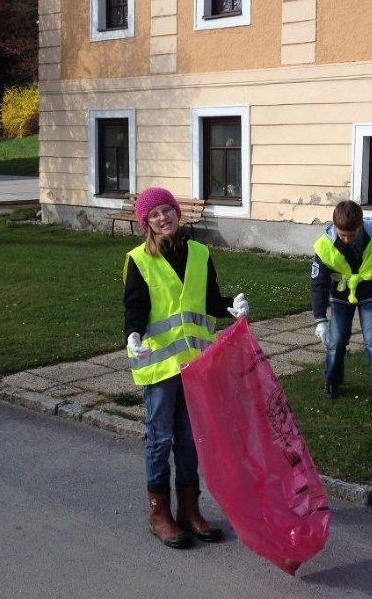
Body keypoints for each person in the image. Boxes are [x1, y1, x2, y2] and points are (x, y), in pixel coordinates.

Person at [123, 186, 249, 549]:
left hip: (194, 364)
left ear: (178, 213)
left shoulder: (199, 252)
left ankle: (190, 510)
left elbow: (209, 297)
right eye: (154, 214)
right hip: (160, 364)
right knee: (160, 437)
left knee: (190, 438)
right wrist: (133, 334)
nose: (163, 217)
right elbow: (135, 306)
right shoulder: (139, 259)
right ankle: (159, 513)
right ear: (145, 222)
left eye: (167, 210)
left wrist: (230, 306)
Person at [310, 200, 372, 421]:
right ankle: (332, 381)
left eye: (352, 234)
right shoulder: (323, 246)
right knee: (337, 340)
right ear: (334, 227)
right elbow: (318, 285)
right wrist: (320, 320)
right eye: (342, 235)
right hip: (341, 295)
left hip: (370, 291)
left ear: (360, 225)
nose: (348, 239)